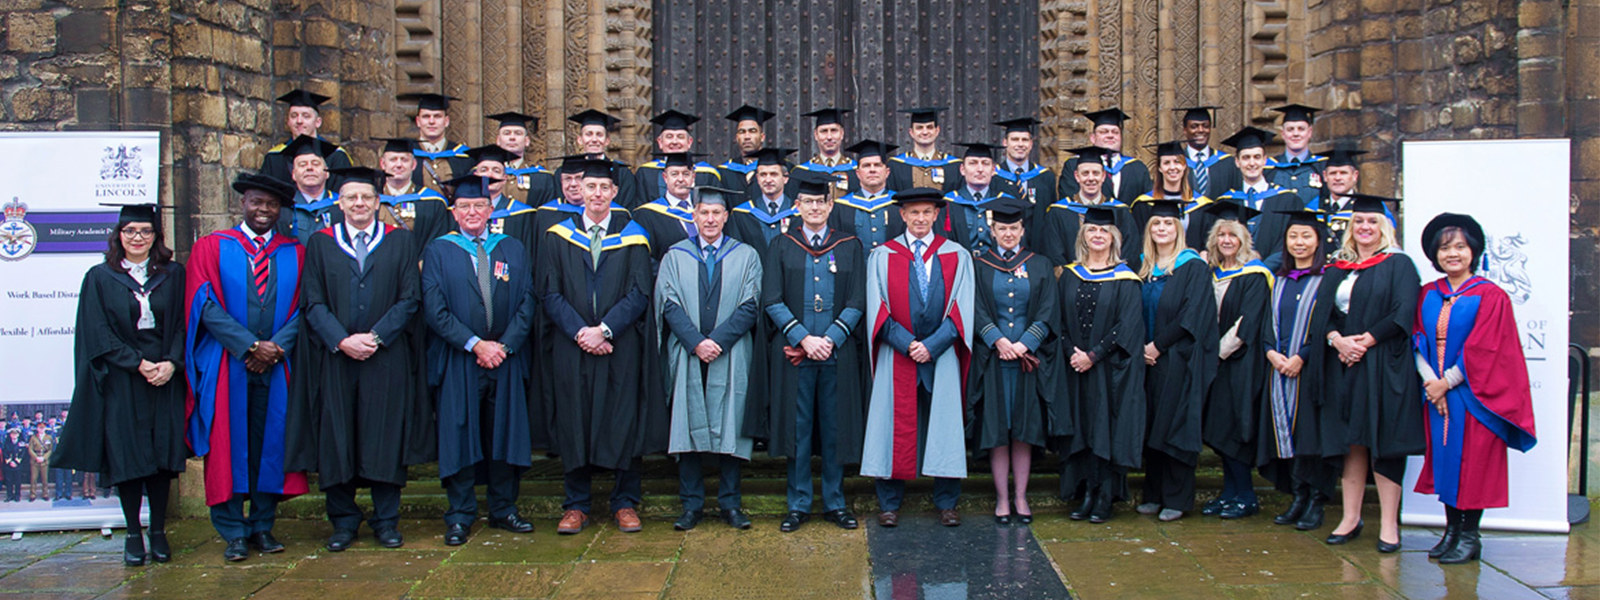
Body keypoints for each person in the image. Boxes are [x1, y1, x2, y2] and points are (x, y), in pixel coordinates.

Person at [286, 167, 430, 552]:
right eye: (351, 197)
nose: (359, 203)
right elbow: (312, 301)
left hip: (387, 358)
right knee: (337, 437)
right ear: (340, 202)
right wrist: (341, 340)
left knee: (385, 436)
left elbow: (410, 298)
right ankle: (343, 521)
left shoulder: (400, 241)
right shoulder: (321, 243)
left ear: (378, 201)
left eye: (366, 197)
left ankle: (386, 520)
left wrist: (377, 337)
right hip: (337, 358)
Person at [51, 203, 187, 566]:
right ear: (119, 235)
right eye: (130, 231)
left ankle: (158, 531)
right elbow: (97, 332)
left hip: (165, 376)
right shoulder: (100, 277)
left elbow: (182, 324)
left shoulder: (173, 274)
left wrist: (172, 363)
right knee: (128, 455)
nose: (137, 238)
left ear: (156, 236)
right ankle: (133, 533)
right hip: (123, 379)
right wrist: (137, 363)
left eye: (145, 231)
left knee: (161, 456)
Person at [184, 172, 309, 562]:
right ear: (243, 203)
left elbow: (306, 306)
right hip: (227, 365)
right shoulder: (211, 247)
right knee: (227, 443)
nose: (263, 210)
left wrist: (277, 347)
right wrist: (250, 346)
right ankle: (232, 531)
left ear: (280, 210)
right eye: (257, 202)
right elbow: (203, 304)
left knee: (270, 443)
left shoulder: (296, 252)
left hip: (278, 365)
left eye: (271, 204)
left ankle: (262, 525)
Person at [539, 159, 659, 536]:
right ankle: (576, 504)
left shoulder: (634, 237)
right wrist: (581, 332)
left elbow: (640, 292)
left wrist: (605, 330)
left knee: (624, 416)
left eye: (604, 188)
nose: (596, 194)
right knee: (574, 418)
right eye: (590, 187)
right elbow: (550, 292)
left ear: (614, 192)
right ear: (578, 190)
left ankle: (625, 501)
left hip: (620, 344)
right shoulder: (558, 236)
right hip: (572, 343)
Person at [420, 175, 539, 547]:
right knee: (459, 435)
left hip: (505, 358)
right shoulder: (439, 250)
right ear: (454, 213)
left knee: (504, 434)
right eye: (465, 207)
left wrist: (504, 345)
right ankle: (459, 515)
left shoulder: (511, 247)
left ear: (491, 210)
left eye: (479, 206)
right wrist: (475, 345)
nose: (472, 212)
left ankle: (504, 508)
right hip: (460, 359)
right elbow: (434, 309)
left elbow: (528, 300)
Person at [1413, 213, 1537, 564]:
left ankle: (1470, 537)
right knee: (1447, 462)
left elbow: (1486, 348)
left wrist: (1446, 383)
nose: (1452, 254)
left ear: (1473, 251)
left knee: (1474, 465)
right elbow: (1417, 338)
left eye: (1460, 247)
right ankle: (1452, 531)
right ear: (1435, 255)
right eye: (1444, 248)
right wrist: (1431, 383)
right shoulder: (1428, 293)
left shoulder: (1491, 295)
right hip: (1436, 393)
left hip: (1475, 395)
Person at [1303, 194, 1423, 553]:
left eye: (1372, 222)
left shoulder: (1399, 264)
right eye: (1359, 221)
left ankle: (1388, 524)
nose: (1365, 227)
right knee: (1350, 440)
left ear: (1384, 227)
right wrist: (1337, 341)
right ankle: (1350, 517)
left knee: (1383, 441)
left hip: (1383, 364)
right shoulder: (1338, 267)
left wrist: (1366, 341)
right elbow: (1321, 315)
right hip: (1342, 363)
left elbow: (1404, 311)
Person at [861, 187, 974, 528]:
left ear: (937, 215)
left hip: (941, 353)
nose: (920, 218)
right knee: (890, 424)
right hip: (898, 352)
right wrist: (908, 344)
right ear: (903, 215)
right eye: (914, 212)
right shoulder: (882, 255)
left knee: (945, 425)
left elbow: (962, 308)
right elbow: (877, 307)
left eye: (927, 212)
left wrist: (933, 345)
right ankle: (889, 503)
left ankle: (947, 502)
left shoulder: (957, 254)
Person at [760, 179, 868, 532]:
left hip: (837, 354)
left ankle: (835, 502)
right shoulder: (781, 244)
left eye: (821, 202)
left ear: (830, 205)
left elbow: (858, 300)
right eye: (808, 202)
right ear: (797, 206)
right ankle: (798, 504)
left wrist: (831, 338)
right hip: (796, 354)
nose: (815, 208)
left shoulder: (850, 246)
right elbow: (772, 298)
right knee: (799, 429)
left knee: (835, 429)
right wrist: (804, 338)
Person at [656, 187, 763, 531]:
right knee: (687, 423)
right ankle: (691, 505)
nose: (711, 219)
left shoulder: (746, 255)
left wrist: (716, 341)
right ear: (694, 216)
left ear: (726, 217)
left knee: (731, 424)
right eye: (704, 213)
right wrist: (695, 342)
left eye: (717, 213)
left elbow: (751, 304)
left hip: (730, 352)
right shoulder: (675, 255)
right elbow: (668, 303)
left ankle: (730, 504)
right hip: (688, 352)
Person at [1052, 206, 1145, 523]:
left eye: (1104, 230)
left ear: (1114, 238)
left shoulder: (1125, 279)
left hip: (1108, 369)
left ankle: (1104, 494)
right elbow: (1058, 319)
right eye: (1092, 230)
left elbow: (1127, 325)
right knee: (1080, 427)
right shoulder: (1070, 275)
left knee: (1104, 429)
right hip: (1074, 367)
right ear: (1083, 235)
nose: (1098, 235)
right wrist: (1072, 352)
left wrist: (1093, 355)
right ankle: (1084, 493)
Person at [969, 196, 1057, 525]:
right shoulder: (980, 265)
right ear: (992, 231)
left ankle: (1020, 496)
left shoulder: (1040, 264)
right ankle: (1002, 499)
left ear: (1023, 230)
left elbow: (1048, 309)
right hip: (993, 361)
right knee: (997, 431)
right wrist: (998, 340)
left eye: (1014, 228)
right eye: (1002, 229)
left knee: (1022, 430)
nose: (1009, 234)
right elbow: (975, 307)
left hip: (1026, 361)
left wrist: (1025, 343)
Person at [1133, 200, 1217, 522]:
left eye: (1168, 223)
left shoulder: (1192, 266)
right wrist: (1142, 348)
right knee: (1153, 424)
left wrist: (1157, 346)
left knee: (1176, 425)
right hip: (1147, 359)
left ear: (1178, 228)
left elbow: (1191, 315)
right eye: (1156, 224)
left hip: (1179, 358)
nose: (1162, 229)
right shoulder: (1144, 268)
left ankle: (1177, 497)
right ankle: (1153, 493)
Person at [1261, 207, 1337, 531]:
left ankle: (1315, 499)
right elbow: (1266, 321)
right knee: (1287, 434)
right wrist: (1270, 352)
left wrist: (1302, 356)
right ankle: (1297, 495)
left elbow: (1327, 323)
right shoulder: (1278, 280)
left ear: (1318, 241)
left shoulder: (1328, 279)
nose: (1299, 242)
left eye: (1306, 236)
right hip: (1279, 369)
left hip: (1312, 370)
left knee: (1311, 435)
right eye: (1293, 236)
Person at [1198, 202, 1274, 519]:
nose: (1227, 240)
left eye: (1233, 235)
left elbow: (1247, 323)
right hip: (1215, 363)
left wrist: (1216, 353)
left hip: (1240, 362)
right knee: (1217, 429)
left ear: (1244, 239)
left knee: (1234, 428)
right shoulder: (1212, 273)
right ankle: (1229, 492)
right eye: (1221, 235)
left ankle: (1246, 495)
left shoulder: (1255, 274)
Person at [1208, 127, 1300, 268]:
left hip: (1274, 273)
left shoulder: (1286, 200)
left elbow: (1287, 241)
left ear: (1265, 160)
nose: (1252, 163)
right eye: (1246, 158)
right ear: (1237, 162)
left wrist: (1263, 268)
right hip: (1235, 273)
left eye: (1257, 157)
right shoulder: (1226, 201)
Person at [1038, 146, 1139, 267]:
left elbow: (1130, 251)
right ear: (1077, 176)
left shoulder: (1120, 211)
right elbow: (1053, 254)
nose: (1091, 178)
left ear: (1103, 176)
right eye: (1085, 173)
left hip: (1113, 277)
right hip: (1070, 277)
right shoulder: (1058, 212)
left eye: (1096, 173)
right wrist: (1071, 275)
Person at [1057, 108, 1153, 204]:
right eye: (1104, 132)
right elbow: (1069, 200)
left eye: (1115, 132)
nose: (1110, 135)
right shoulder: (1074, 165)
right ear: (1093, 138)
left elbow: (1146, 204)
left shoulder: (1137, 168)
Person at [939, 142, 1019, 254]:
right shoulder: (948, 203)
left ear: (993, 170)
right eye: (973, 163)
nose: (980, 169)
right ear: (962, 169)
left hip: (996, 263)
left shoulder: (1006, 202)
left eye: (985, 163)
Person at [258, 89, 353, 183]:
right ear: (288, 122)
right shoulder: (274, 157)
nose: (299, 121)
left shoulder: (337, 156)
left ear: (318, 122)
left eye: (306, 116)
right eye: (294, 116)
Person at [373, 137, 451, 249]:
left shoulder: (432, 202)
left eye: (404, 160)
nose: (398, 165)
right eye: (393, 160)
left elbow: (436, 242)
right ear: (383, 164)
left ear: (414, 164)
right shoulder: (371, 200)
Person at [1136, 140, 1210, 250]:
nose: (1172, 167)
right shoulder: (1143, 204)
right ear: (1160, 168)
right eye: (1166, 163)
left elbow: (1206, 243)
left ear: (1184, 166)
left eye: (1177, 162)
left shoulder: (1201, 204)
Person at [831, 140, 903, 252]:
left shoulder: (900, 203)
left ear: (887, 172)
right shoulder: (841, 207)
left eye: (877, 165)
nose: (872, 170)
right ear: (858, 173)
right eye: (866, 166)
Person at [632, 151, 704, 263]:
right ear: (665, 178)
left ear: (693, 177)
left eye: (686, 174)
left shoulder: (705, 212)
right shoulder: (647, 215)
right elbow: (644, 259)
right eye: (674, 174)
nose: (680, 179)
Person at [637, 109, 723, 202]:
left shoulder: (707, 174)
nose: (675, 142)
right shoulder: (645, 173)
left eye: (680, 137)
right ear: (660, 142)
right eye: (669, 137)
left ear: (689, 142)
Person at [726, 147, 798, 254]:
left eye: (773, 174)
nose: (768, 180)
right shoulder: (741, 215)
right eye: (763, 175)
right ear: (757, 179)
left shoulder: (799, 213)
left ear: (785, 178)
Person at [569, 108, 645, 208]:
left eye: (599, 135)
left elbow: (626, 210)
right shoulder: (567, 172)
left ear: (607, 141)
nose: (594, 139)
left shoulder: (622, 174)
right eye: (589, 134)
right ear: (579, 140)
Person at [991, 117, 1058, 225]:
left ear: (1031, 144)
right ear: (1005, 142)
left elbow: (1052, 216)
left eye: (1025, 140)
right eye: (1015, 139)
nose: (1020, 144)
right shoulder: (993, 177)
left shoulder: (1046, 177)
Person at [400, 93, 473, 190]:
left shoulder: (463, 156)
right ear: (418, 121)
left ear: (446, 121)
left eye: (437, 116)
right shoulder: (405, 154)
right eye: (426, 116)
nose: (431, 121)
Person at [1266, 104, 1327, 218]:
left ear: (1310, 132)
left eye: (1301, 129)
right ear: (1283, 134)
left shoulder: (1323, 166)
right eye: (1290, 129)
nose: (1295, 134)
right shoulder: (1268, 168)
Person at [488, 111, 558, 206]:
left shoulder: (542, 177)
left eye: (518, 133)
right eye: (507, 133)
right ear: (498, 140)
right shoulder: (482, 174)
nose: (512, 137)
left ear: (527, 141)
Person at [278, 135, 342, 238]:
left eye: (315, 164)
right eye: (302, 164)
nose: (309, 168)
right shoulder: (284, 209)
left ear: (327, 173)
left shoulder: (341, 206)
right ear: (293, 174)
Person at [1172, 106, 1241, 200]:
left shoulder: (1228, 163)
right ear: (1185, 130)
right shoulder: (1174, 163)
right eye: (1194, 126)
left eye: (1205, 126)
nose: (1201, 130)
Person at [887, 107, 962, 191]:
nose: (925, 132)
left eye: (929, 127)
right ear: (911, 132)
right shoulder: (896, 166)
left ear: (937, 131)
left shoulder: (954, 166)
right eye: (919, 128)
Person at [793, 108, 857, 202]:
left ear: (842, 133)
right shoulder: (802, 172)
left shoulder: (856, 170)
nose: (829, 137)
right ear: (816, 135)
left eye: (834, 130)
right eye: (824, 131)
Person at [717, 104, 775, 194]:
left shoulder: (778, 169)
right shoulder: (724, 172)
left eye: (752, 131)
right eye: (742, 132)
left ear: (762, 137)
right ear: (737, 138)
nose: (747, 136)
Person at [27, 423, 52, 502]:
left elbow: (50, 450)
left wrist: (44, 458)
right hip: (35, 460)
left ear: (45, 429)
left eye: (43, 428)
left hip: (44, 460)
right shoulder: (33, 438)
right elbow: (30, 449)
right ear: (37, 429)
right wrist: (36, 457)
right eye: (40, 428)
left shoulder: (49, 437)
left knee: (45, 479)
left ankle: (45, 494)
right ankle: (32, 494)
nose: (41, 429)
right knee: (33, 478)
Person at [3, 429, 24, 502]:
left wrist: (16, 462)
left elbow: (22, 453)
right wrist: (10, 462)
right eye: (12, 434)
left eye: (15, 434)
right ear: (10, 435)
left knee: (17, 481)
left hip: (18, 465)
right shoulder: (7, 443)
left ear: (18, 435)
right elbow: (5, 453)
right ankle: (9, 495)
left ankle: (17, 496)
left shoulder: (21, 443)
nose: (14, 435)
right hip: (9, 465)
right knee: (9, 481)